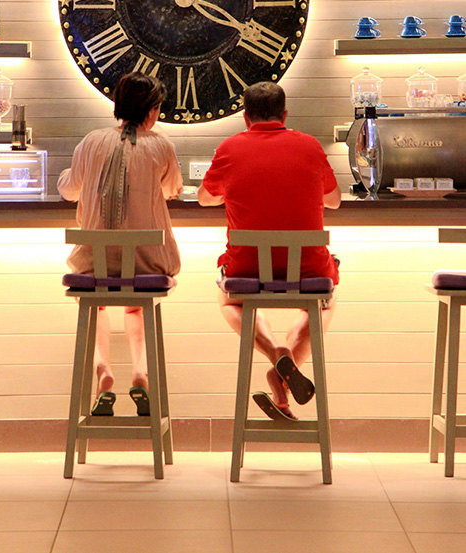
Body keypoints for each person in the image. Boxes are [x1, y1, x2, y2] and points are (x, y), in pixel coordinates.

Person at [197, 81, 341, 420]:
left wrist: (232, 190)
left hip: (248, 268)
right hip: (308, 269)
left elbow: (204, 198)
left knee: (229, 300)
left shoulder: (230, 148)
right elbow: (334, 201)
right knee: (323, 303)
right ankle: (284, 370)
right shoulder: (310, 146)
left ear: (246, 118)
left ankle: (277, 354)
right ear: (284, 115)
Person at [57, 72, 182, 416]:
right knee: (136, 305)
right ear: (152, 110)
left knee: (96, 303)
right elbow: (172, 189)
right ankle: (140, 373)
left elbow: (69, 189)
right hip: (148, 263)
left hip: (92, 264)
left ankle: (103, 372)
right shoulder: (162, 146)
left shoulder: (92, 141)